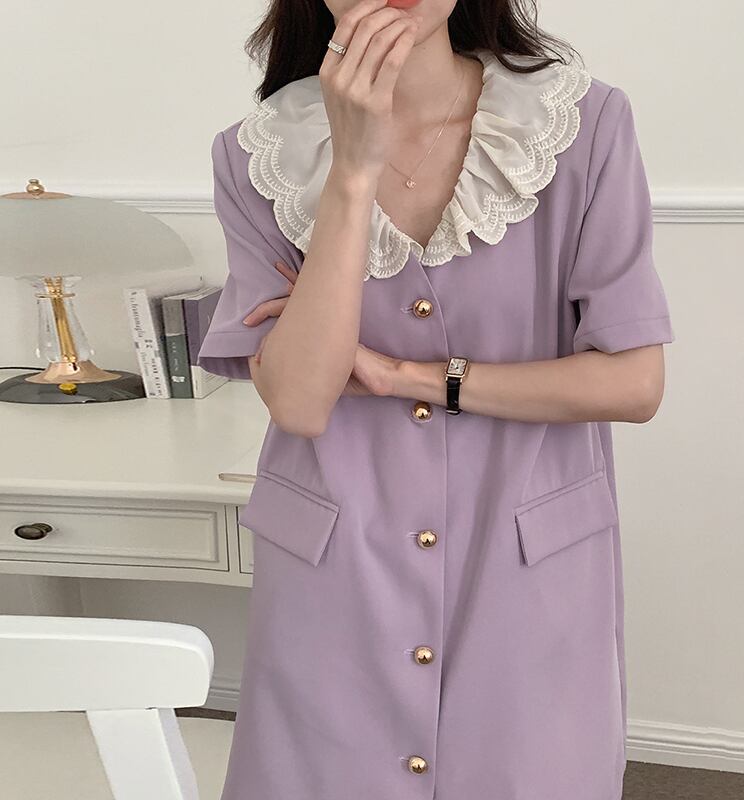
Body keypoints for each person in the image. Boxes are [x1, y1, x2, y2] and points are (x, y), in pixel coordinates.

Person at [196, 0, 676, 797]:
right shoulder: (262, 156)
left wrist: (411, 376)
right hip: (338, 571)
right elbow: (302, 400)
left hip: (524, 559)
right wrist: (353, 170)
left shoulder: (580, 125)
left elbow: (633, 382)